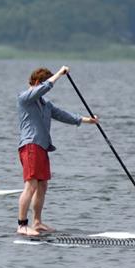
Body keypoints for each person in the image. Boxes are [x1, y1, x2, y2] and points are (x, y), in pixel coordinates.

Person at [16, 66, 98, 236]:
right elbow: (46, 87)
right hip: (30, 145)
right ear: (37, 83)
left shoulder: (46, 105)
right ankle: (22, 225)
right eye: (43, 85)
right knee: (30, 185)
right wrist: (60, 74)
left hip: (42, 147)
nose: (45, 91)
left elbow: (63, 115)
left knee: (42, 186)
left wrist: (87, 121)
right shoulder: (25, 98)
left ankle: (37, 222)